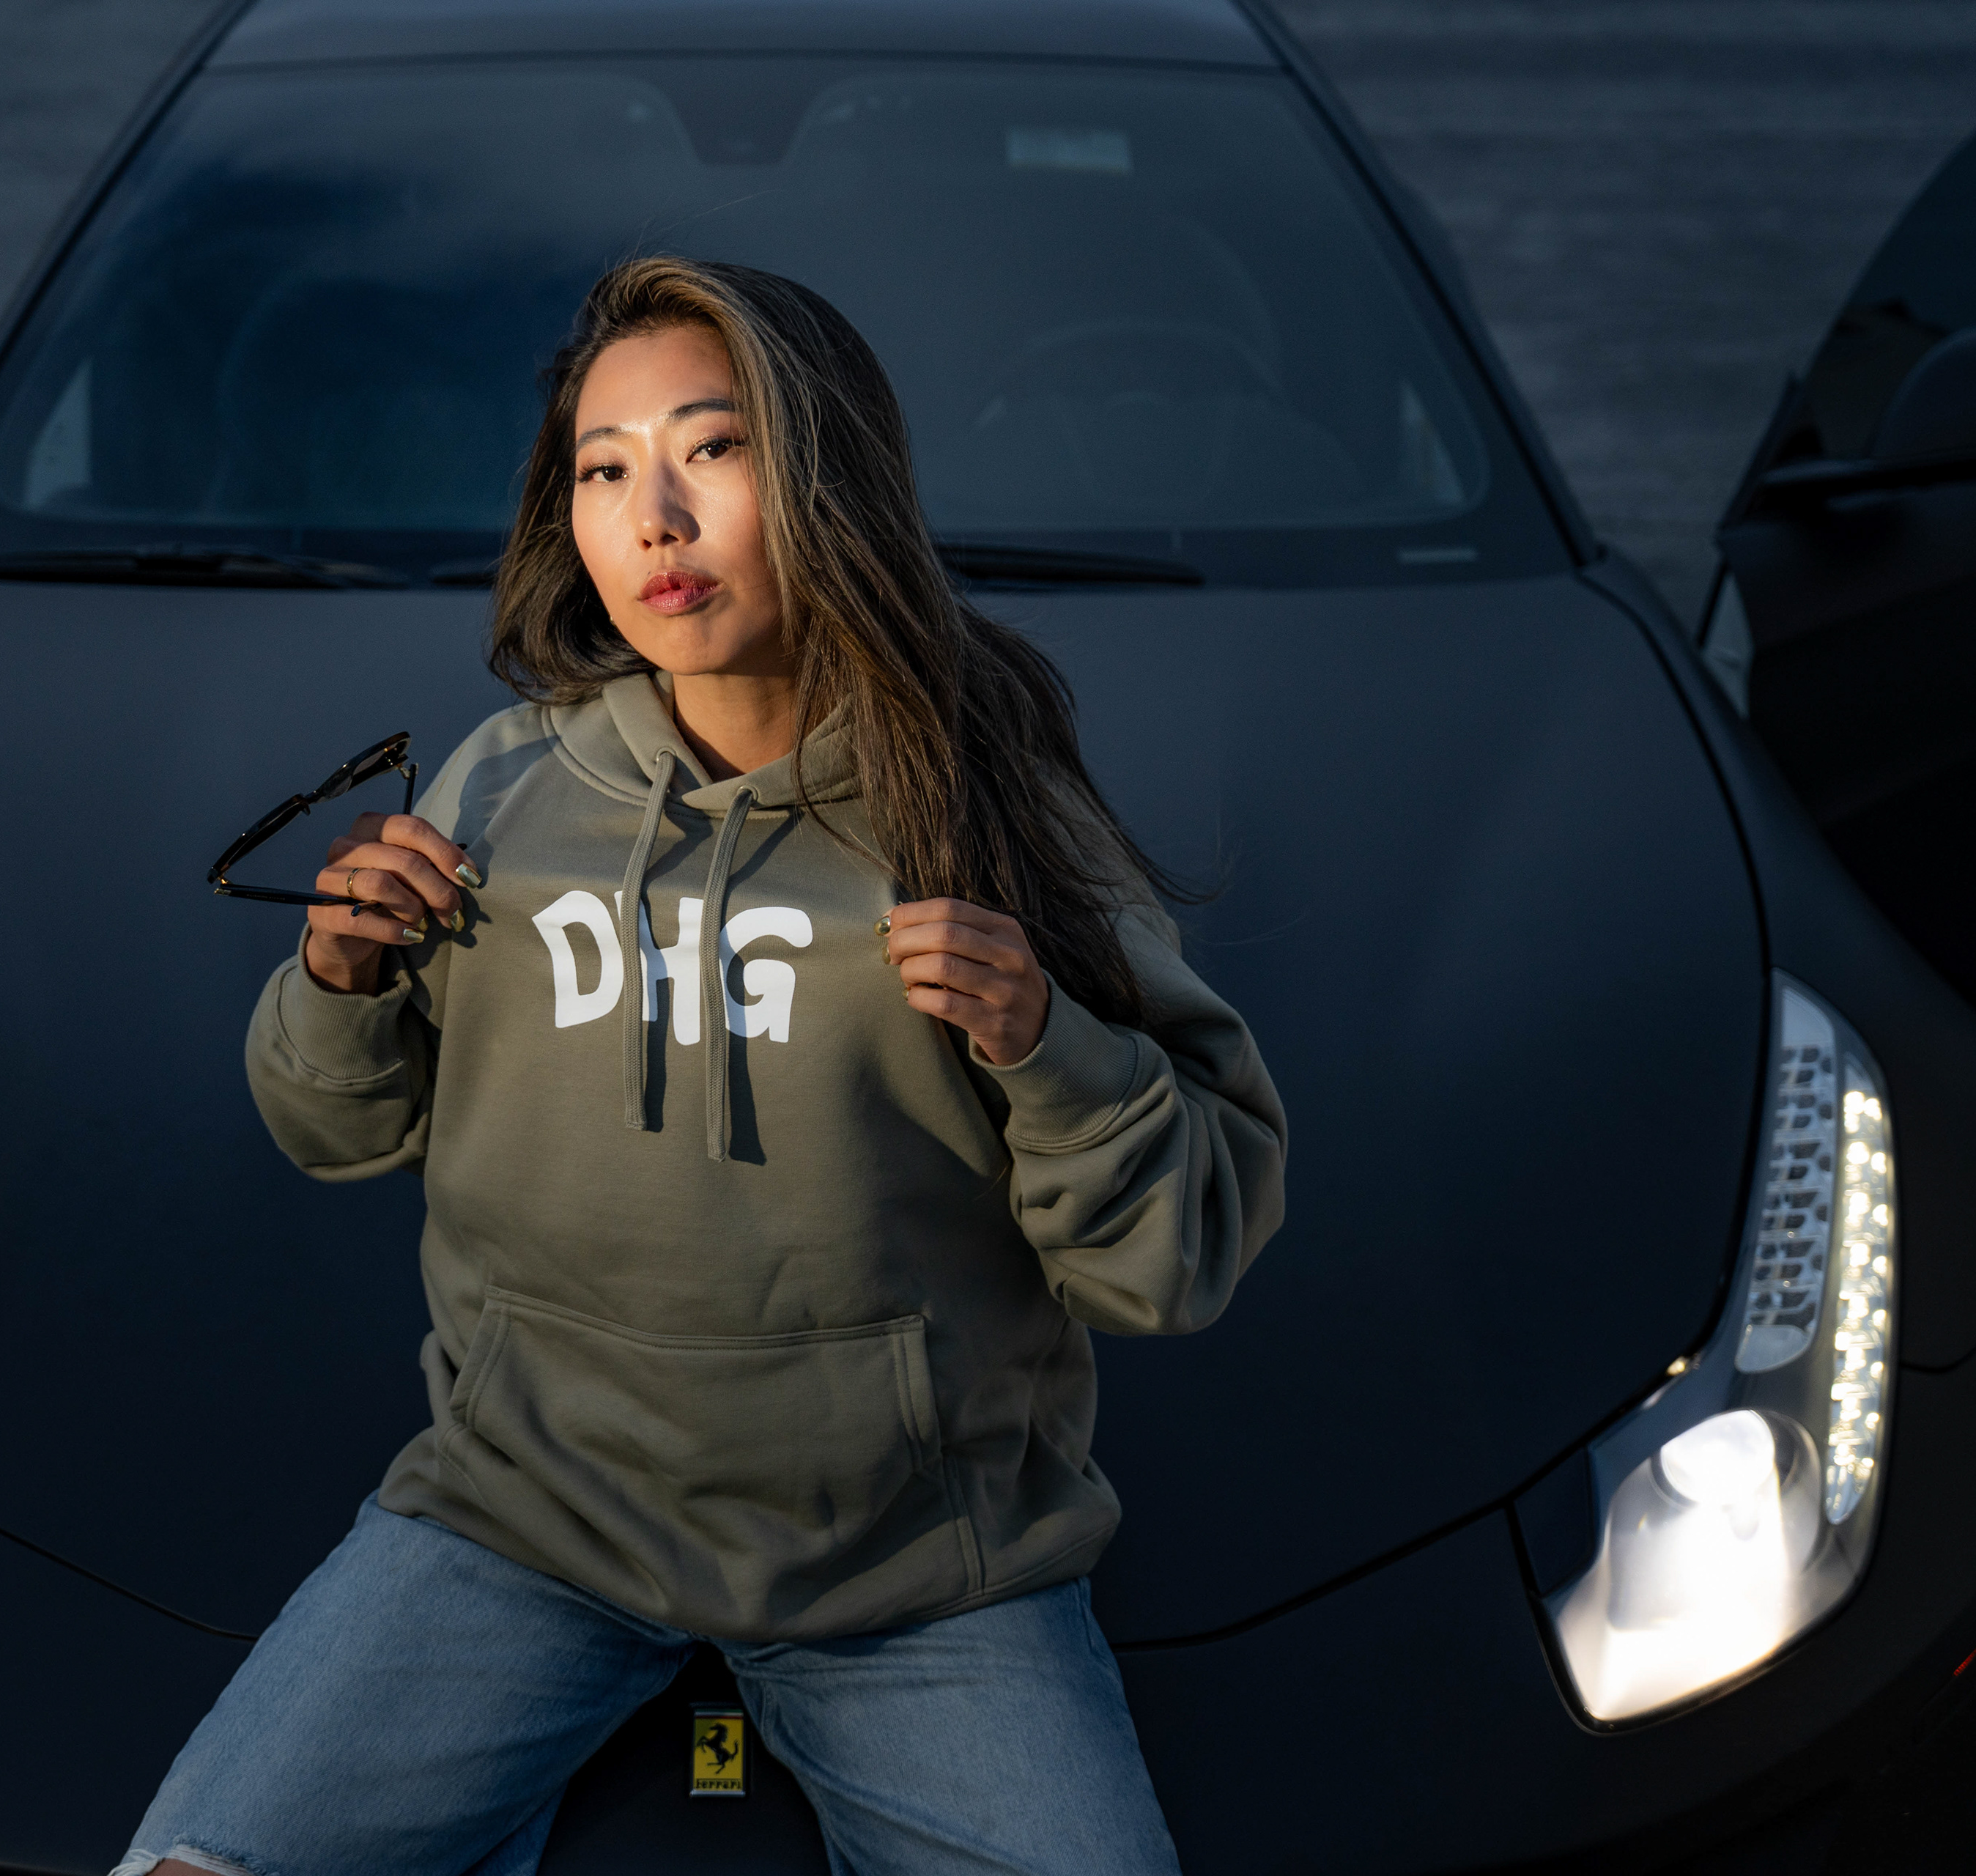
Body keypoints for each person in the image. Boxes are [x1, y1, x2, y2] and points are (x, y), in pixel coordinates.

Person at [118, 256, 1287, 1876]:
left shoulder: (989, 813)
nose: (653, 517)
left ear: (829, 475)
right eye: (604, 470)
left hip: (916, 1574)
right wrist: (337, 980)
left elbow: (1178, 1255)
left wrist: (1048, 1045)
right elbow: (333, 1130)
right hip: (522, 1523)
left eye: (713, 449)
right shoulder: (502, 792)